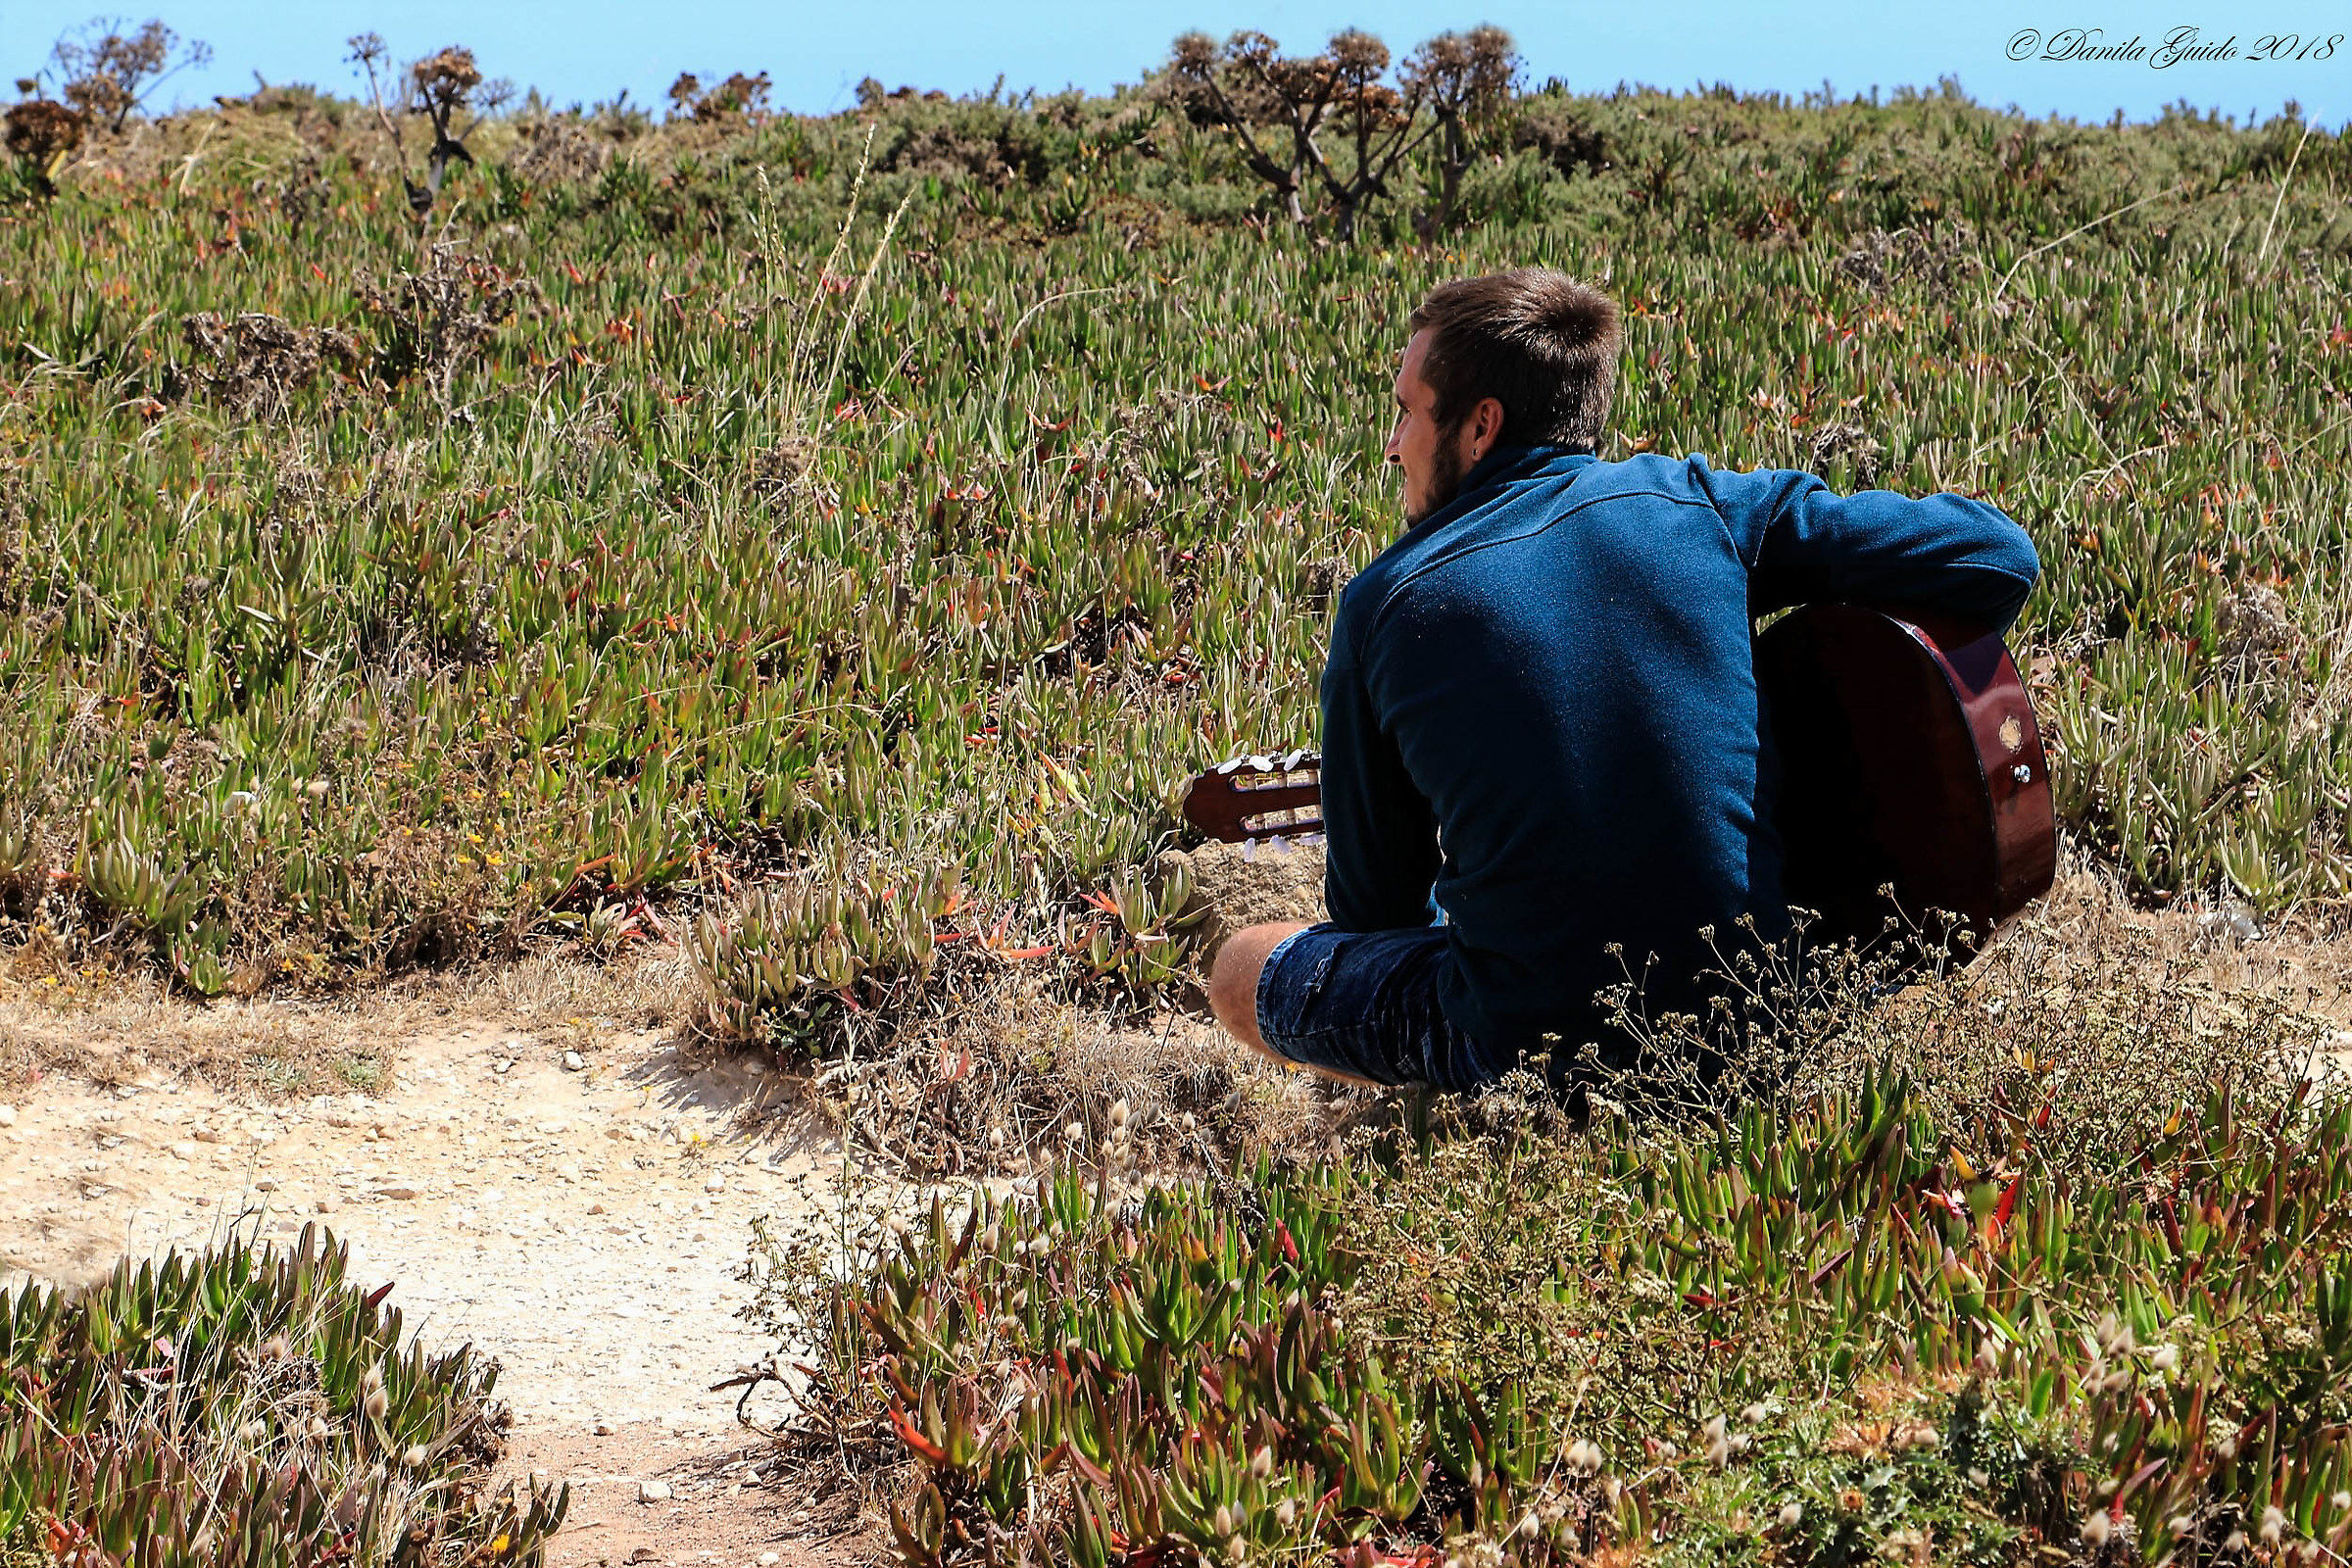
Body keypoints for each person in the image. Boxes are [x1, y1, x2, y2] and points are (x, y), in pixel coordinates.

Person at [1204, 266, 2041, 1095]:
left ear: (1480, 426)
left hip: (1523, 1054)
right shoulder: (1701, 506)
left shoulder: (1385, 605)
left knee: (1241, 966)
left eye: (1406, 412)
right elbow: (1996, 559)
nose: (1393, 445)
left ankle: (1462, 1136)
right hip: (1765, 1021)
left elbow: (1377, 928)